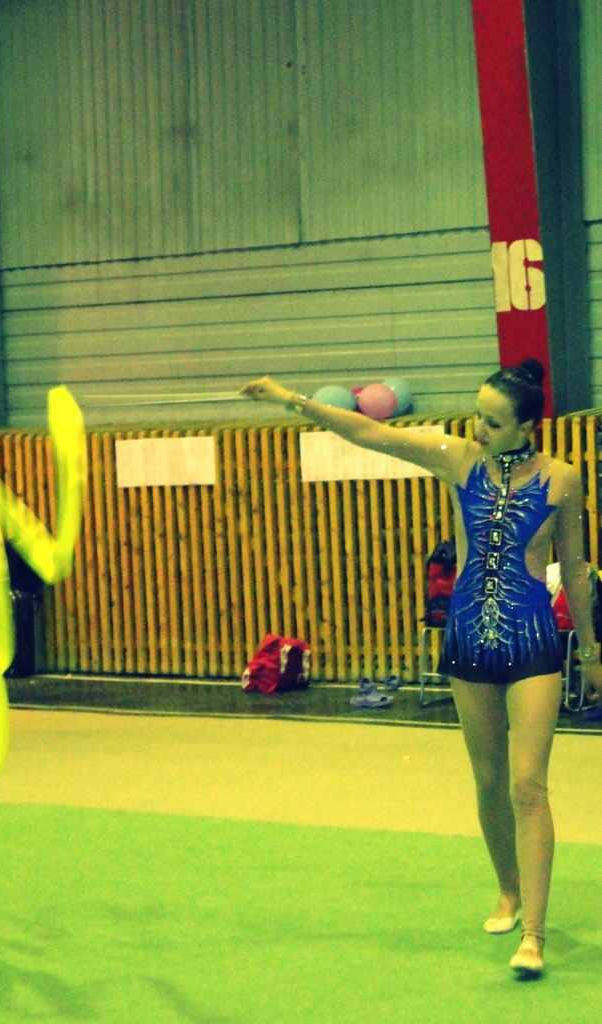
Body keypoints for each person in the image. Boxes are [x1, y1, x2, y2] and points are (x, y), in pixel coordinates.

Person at [240, 359, 602, 978]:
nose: (478, 429)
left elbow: (573, 569)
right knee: (488, 779)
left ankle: (535, 934)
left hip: (534, 642)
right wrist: (289, 399)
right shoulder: (457, 459)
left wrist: (590, 652)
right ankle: (508, 890)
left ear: (526, 428)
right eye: (478, 416)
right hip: (467, 638)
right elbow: (369, 432)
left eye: (493, 422)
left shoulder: (563, 479)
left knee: (527, 785)